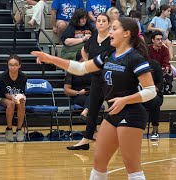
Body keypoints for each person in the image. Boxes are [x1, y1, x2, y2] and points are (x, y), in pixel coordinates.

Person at [32, 17, 156, 180]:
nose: (110, 32)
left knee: (132, 168)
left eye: (114, 28)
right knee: (98, 163)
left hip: (131, 115)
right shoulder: (108, 55)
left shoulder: (135, 58)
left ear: (127, 33)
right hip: (113, 114)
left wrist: (125, 99)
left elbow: (151, 91)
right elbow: (81, 68)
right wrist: (51, 59)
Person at [67, 13, 114, 150]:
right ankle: (85, 140)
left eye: (103, 21)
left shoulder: (112, 39)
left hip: (109, 80)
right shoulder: (93, 37)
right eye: (98, 20)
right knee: (92, 111)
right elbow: (84, 49)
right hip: (95, 79)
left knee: (114, 109)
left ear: (108, 23)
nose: (100, 23)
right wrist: (88, 63)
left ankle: (116, 137)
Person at [0, 54, 27, 142]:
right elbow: (4, 93)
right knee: (11, 103)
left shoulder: (23, 77)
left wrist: (22, 96)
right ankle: (9, 129)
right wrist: (12, 97)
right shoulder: (3, 76)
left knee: (22, 102)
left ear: (19, 65)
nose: (13, 67)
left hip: (17, 98)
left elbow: (22, 92)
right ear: (8, 65)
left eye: (15, 65)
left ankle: (19, 129)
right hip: (4, 98)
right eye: (11, 65)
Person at [64, 51, 91, 121]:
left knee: (94, 97)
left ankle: (85, 111)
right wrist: (79, 92)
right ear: (81, 59)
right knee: (95, 101)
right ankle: (92, 126)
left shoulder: (92, 70)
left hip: (91, 94)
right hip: (78, 96)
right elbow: (66, 90)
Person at [142, 59, 164, 141]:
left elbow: (160, 83)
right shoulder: (132, 64)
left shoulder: (154, 64)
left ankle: (155, 129)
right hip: (137, 94)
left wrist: (152, 90)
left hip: (153, 93)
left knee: (154, 100)